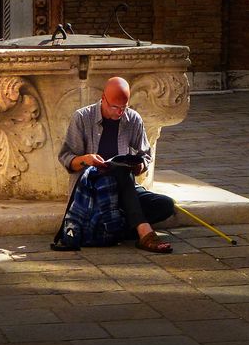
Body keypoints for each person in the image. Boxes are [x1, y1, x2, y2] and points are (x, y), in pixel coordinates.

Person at [58, 77, 174, 253]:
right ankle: (144, 232)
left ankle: (115, 227)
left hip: (123, 189)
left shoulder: (132, 118)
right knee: (120, 172)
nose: (120, 112)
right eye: (114, 107)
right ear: (103, 99)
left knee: (165, 205)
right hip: (93, 191)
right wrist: (87, 159)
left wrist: (139, 166)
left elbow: (145, 155)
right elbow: (66, 158)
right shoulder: (82, 117)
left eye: (123, 107)